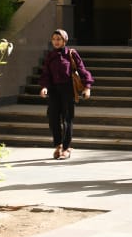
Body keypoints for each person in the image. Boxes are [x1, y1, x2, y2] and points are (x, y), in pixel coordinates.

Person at [38, 29, 93, 160]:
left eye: (59, 39)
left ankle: (66, 148)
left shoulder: (71, 53)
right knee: (53, 118)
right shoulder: (50, 56)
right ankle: (58, 145)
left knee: (67, 119)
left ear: (65, 40)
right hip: (54, 91)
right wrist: (44, 87)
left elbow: (82, 70)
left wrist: (87, 87)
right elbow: (46, 74)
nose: (56, 42)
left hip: (68, 90)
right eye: (54, 39)